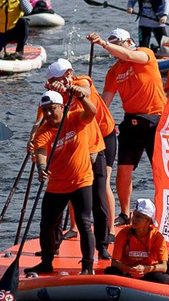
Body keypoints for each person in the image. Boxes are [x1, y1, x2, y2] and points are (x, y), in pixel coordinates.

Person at [32, 78, 110, 274]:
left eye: (53, 108)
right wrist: (41, 167)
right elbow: (40, 150)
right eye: (46, 110)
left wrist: (81, 96)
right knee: (47, 224)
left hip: (81, 180)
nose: (49, 113)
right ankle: (46, 261)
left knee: (84, 222)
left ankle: (87, 266)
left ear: (61, 107)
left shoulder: (74, 118)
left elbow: (92, 112)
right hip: (57, 184)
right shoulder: (43, 130)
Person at [92, 29, 169, 213]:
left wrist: (104, 44)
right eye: (113, 46)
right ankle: (125, 213)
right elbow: (104, 105)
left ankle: (165, 211)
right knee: (123, 170)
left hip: (155, 121)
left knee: (159, 170)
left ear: (128, 42)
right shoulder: (114, 72)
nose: (115, 50)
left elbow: (128, 54)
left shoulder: (145, 54)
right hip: (131, 122)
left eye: (118, 45)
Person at [109, 198, 168, 279]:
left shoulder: (157, 237)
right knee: (110, 271)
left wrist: (145, 269)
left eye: (138, 216)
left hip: (148, 272)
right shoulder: (124, 234)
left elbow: (164, 267)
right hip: (128, 271)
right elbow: (114, 262)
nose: (133, 219)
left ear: (148, 221)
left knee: (159, 277)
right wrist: (132, 270)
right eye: (134, 215)